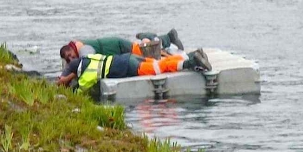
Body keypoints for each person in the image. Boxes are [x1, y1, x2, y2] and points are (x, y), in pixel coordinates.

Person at [70, 47, 212, 96]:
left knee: (159, 69)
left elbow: (78, 92)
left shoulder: (86, 74)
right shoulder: (91, 57)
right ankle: (192, 54)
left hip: (129, 67)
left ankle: (192, 62)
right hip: (130, 58)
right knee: (160, 63)